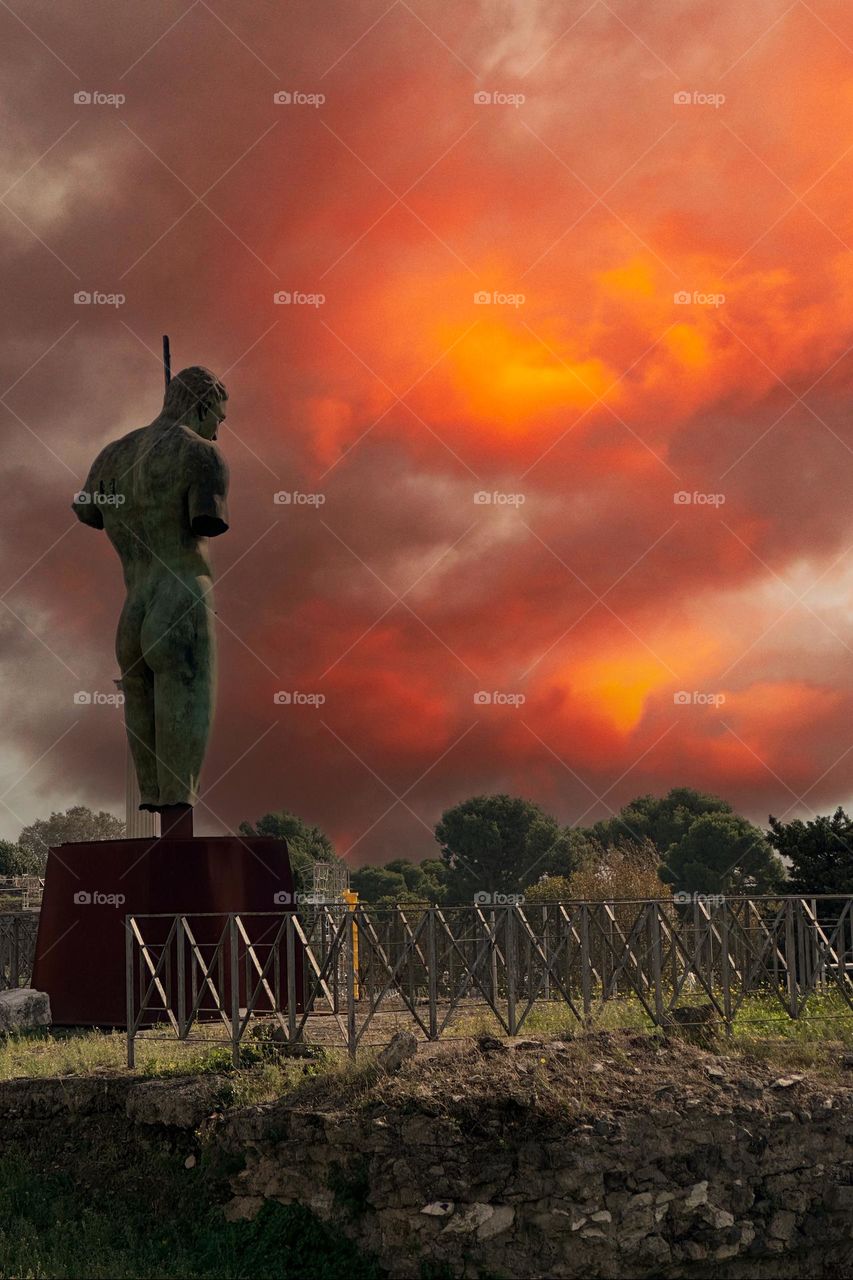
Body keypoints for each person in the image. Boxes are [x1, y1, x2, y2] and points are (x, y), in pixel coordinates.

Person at [73, 366, 229, 816]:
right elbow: (206, 521)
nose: (217, 431)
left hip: (134, 610)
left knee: (141, 709)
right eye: (217, 417)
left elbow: (85, 510)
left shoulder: (111, 457)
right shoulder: (202, 454)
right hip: (181, 600)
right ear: (201, 405)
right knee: (188, 704)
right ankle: (176, 809)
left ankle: (152, 798)